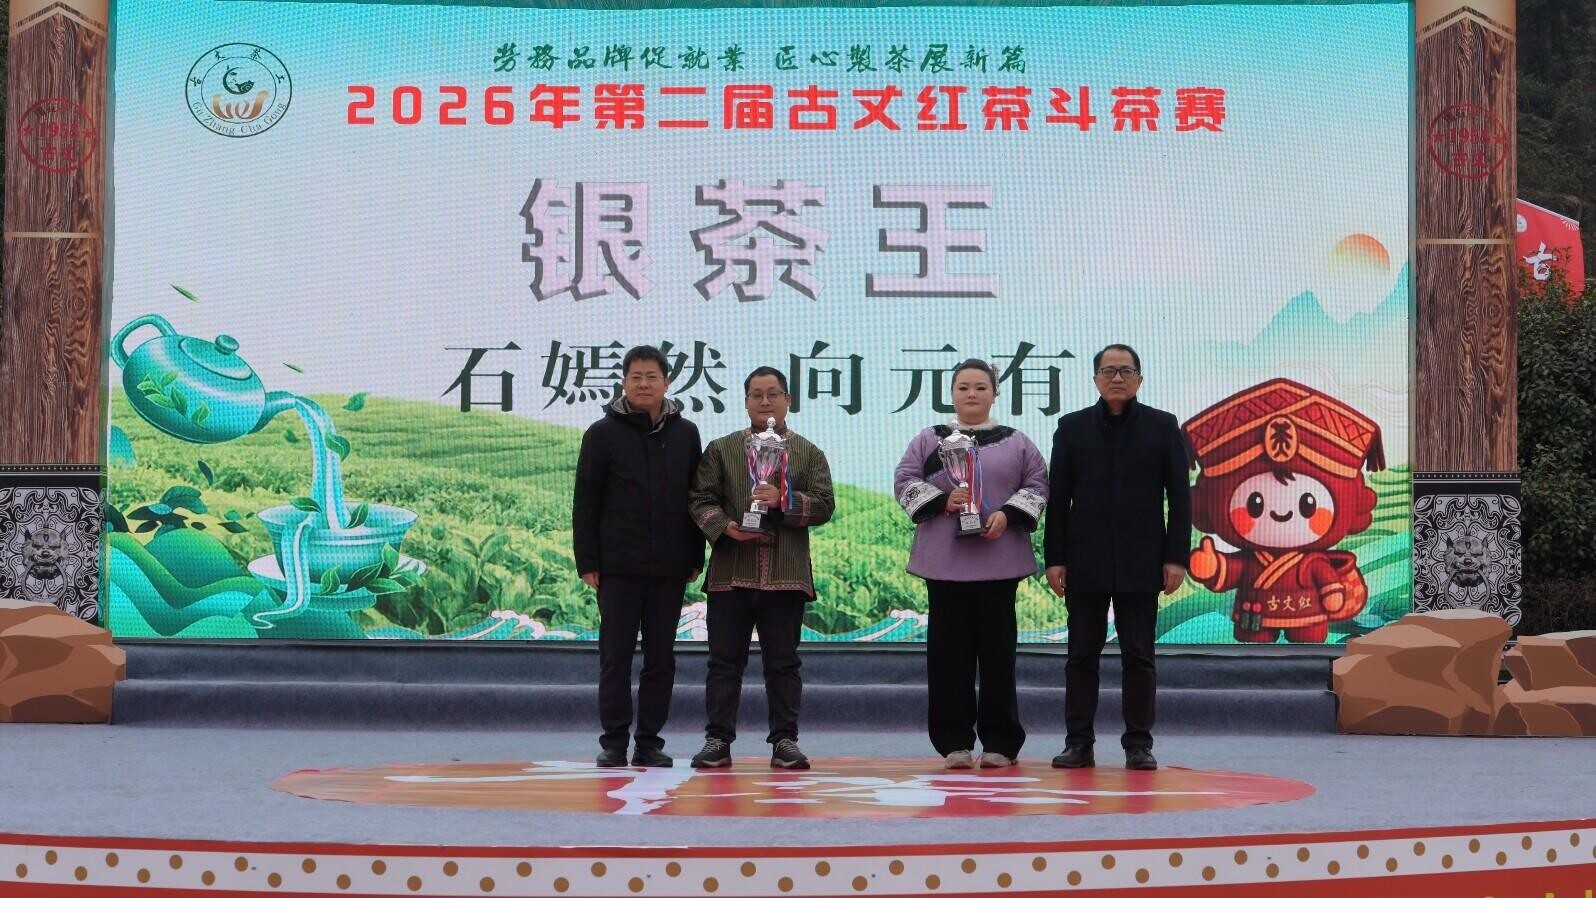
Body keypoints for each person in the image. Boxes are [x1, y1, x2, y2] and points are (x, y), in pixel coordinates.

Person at [1043, 344, 1191, 771]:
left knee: (1139, 656)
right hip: (1084, 559)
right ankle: (1079, 743)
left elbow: (1180, 498)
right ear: (1095, 379)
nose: (1117, 378)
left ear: (1140, 378)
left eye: (1126, 371)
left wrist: (1176, 557)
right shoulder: (1071, 428)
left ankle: (1138, 745)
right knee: (1080, 656)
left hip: (1142, 559)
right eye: (1108, 371)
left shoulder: (1163, 426)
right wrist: (1055, 557)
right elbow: (1058, 499)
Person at [894, 359, 1048, 769]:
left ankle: (1001, 742)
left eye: (981, 387)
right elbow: (905, 480)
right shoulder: (929, 439)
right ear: (952, 394)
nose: (972, 394)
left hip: (1000, 563)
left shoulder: (1018, 442)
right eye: (963, 387)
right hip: (945, 565)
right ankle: (954, 743)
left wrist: (1008, 516)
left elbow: (1037, 483)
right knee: (948, 658)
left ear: (995, 393)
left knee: (999, 657)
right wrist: (944, 501)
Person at [687, 367, 835, 770]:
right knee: (723, 663)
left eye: (773, 394)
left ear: (788, 400)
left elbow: (825, 504)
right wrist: (726, 527)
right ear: (746, 401)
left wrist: (784, 500)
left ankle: (785, 742)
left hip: (786, 575)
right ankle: (717, 740)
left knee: (783, 664)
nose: (765, 401)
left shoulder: (808, 452)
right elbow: (699, 498)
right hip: (730, 574)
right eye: (756, 394)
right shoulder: (721, 449)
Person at [572, 345, 704, 768]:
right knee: (615, 658)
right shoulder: (601, 434)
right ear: (624, 382)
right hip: (618, 567)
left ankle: (649, 742)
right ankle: (613, 742)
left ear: (667, 382)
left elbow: (696, 499)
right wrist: (588, 560)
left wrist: (695, 555)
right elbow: (586, 501)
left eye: (652, 377)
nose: (644, 384)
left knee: (661, 660)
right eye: (636, 377)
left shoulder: (686, 434)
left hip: (669, 567)